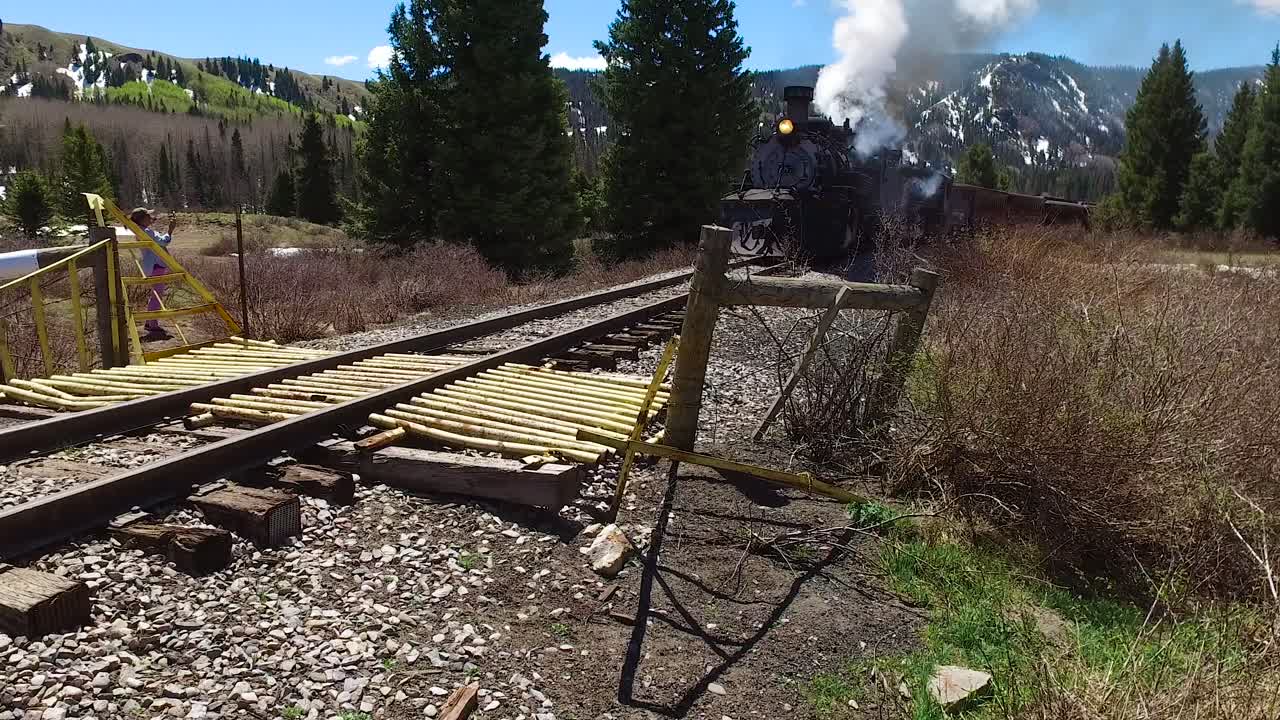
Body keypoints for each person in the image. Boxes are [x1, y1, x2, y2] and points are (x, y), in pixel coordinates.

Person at [130, 207, 179, 337]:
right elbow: (163, 241)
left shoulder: (141, 230)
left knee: (155, 294)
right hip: (156, 265)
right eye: (148, 216)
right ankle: (153, 324)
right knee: (157, 295)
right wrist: (170, 229)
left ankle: (150, 321)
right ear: (142, 219)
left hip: (152, 265)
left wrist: (154, 221)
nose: (150, 218)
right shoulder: (146, 231)